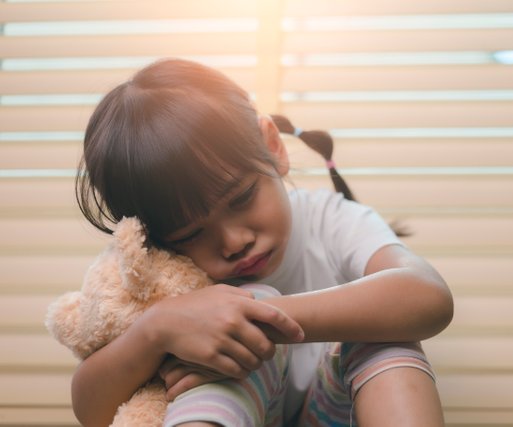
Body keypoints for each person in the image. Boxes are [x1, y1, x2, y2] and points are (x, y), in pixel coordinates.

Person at [72, 58, 454, 427]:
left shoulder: (329, 220)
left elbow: (427, 295)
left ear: (273, 146)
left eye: (241, 199)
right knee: (222, 361)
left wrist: (258, 318)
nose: (235, 242)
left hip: (340, 411)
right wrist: (157, 329)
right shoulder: (157, 275)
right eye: (190, 234)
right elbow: (91, 410)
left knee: (386, 338)